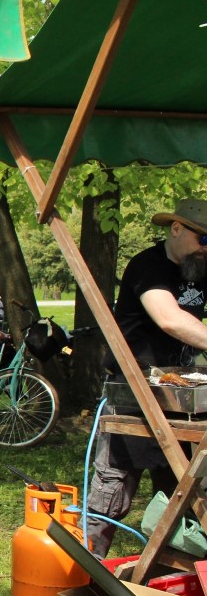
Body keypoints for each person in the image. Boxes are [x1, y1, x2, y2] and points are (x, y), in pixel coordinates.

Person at [86, 198, 207, 557]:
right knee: (111, 494)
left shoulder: (200, 266)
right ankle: (84, 571)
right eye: (203, 239)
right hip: (133, 392)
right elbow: (169, 318)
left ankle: (173, 576)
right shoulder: (147, 266)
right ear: (176, 229)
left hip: (179, 397)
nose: (206, 248)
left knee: (181, 496)